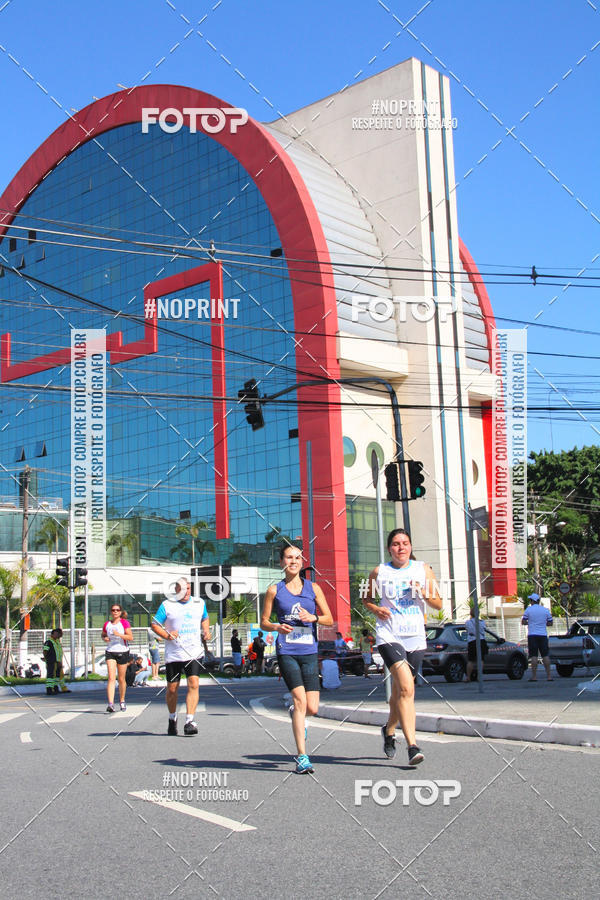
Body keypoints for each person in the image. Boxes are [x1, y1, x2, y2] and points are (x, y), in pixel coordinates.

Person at [366, 528, 443, 766]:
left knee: (401, 692)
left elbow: (438, 604)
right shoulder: (379, 571)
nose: (401, 547)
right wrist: (376, 609)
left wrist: (423, 592)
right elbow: (366, 599)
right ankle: (412, 746)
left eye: (405, 543)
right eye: (396, 544)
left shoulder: (423, 569)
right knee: (407, 689)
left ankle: (389, 730)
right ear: (389, 548)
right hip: (389, 634)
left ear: (410, 546)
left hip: (415, 637)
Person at [261, 543, 333, 774]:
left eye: (297, 558)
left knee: (312, 707)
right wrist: (276, 626)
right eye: (289, 558)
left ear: (302, 562)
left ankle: (296, 715)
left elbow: (329, 619)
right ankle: (302, 757)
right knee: (300, 700)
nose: (293, 561)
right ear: (281, 562)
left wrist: (314, 618)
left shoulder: (314, 588)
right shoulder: (274, 590)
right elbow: (264, 622)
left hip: (309, 651)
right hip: (287, 651)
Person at [151, 576, 211, 736]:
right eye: (182, 589)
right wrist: (167, 635)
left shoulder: (199, 603)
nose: (186, 592)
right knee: (172, 689)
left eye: (188, 588)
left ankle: (189, 721)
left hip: (193, 652)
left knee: (194, 684)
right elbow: (155, 624)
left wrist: (206, 630)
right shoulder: (167, 605)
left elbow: (205, 618)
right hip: (174, 654)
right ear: (176, 590)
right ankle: (172, 718)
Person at [102, 604, 133, 713]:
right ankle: (110, 704)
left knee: (121, 679)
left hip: (122, 651)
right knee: (111, 678)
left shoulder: (124, 623)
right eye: (113, 610)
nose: (115, 612)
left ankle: (122, 700)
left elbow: (130, 637)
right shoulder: (107, 624)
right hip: (110, 651)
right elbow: (103, 634)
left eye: (117, 610)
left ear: (120, 612)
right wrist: (105, 638)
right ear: (111, 612)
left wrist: (119, 634)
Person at [522, 593, 553, 681]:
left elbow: (523, 621)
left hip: (532, 635)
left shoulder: (529, 609)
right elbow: (550, 623)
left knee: (534, 656)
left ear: (532, 601)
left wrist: (530, 623)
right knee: (545, 655)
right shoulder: (545, 610)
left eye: (530, 600)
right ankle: (549, 676)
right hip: (543, 635)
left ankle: (534, 676)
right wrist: (543, 623)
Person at [42, 628, 71, 694]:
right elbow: (45, 651)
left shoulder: (57, 642)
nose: (58, 635)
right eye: (57, 634)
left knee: (57, 676)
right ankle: (49, 689)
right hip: (51, 661)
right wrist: (46, 658)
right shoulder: (49, 642)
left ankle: (55, 688)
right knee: (51, 676)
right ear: (52, 634)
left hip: (57, 661)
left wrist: (59, 661)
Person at [464, 607, 488, 682]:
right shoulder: (482, 622)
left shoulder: (468, 622)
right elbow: (484, 629)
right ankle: (479, 676)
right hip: (481, 640)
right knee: (481, 660)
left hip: (472, 641)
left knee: (470, 660)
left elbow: (467, 630)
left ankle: (468, 677)